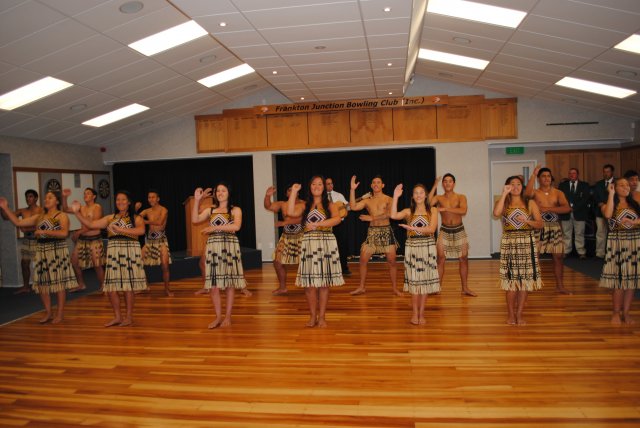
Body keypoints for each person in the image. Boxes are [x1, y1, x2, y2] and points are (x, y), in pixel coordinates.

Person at [71, 190, 147, 327]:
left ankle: (129, 317)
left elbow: (141, 231)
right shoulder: (110, 218)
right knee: (111, 287)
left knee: (127, 287)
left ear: (129, 202)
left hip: (129, 252)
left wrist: (120, 230)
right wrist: (77, 213)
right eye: (118, 200)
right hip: (114, 253)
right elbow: (92, 225)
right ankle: (118, 317)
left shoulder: (136, 218)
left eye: (123, 200)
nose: (120, 202)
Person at [0, 192, 77, 323]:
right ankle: (48, 313)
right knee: (42, 284)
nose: (47, 199)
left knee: (58, 284)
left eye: (50, 197)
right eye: (46, 197)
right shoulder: (39, 217)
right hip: (42, 251)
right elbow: (18, 222)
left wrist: (44, 231)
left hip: (57, 250)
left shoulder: (62, 215)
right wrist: (5, 208)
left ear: (57, 201)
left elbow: (64, 233)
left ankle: (59, 314)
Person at [287, 176, 344, 328]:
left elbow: (337, 219)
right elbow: (291, 211)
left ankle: (322, 317)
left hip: (326, 243)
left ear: (324, 188)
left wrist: (319, 224)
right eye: (314, 184)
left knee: (324, 283)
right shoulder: (305, 205)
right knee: (310, 284)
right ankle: (312, 316)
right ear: (310, 187)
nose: (317, 186)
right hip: (309, 244)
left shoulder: (330, 205)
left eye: (320, 184)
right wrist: (293, 192)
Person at [192, 183, 247, 329]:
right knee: (214, 285)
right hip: (213, 246)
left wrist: (215, 227)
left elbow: (236, 226)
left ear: (229, 192)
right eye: (218, 191)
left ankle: (228, 317)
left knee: (229, 283)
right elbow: (195, 220)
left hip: (229, 245)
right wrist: (198, 200)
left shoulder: (235, 209)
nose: (220, 193)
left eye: (224, 190)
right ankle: (218, 317)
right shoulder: (210, 209)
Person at [493, 175, 543, 326]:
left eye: (518, 184)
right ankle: (510, 314)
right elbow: (496, 213)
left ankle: (519, 314)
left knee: (524, 282)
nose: (515, 187)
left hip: (527, 242)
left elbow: (540, 224)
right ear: (507, 186)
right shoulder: (504, 201)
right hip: (510, 242)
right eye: (512, 184)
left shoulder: (530, 202)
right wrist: (504, 194)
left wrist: (527, 221)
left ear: (522, 186)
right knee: (511, 281)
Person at [391, 183, 439, 325]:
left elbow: (431, 229)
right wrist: (395, 197)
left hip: (427, 247)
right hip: (412, 247)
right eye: (416, 193)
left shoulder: (433, 211)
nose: (419, 195)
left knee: (424, 282)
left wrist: (411, 227)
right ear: (413, 196)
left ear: (425, 195)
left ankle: (421, 313)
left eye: (421, 192)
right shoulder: (408, 212)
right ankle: (414, 313)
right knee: (414, 282)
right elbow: (393, 215)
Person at [349, 175, 399, 296]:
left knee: (392, 262)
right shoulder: (367, 200)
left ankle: (395, 288)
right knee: (362, 260)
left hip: (386, 231)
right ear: (371, 185)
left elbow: (390, 214)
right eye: (374, 182)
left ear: (383, 185)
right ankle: (361, 287)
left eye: (378, 182)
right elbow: (353, 207)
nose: (376, 184)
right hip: (372, 233)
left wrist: (372, 217)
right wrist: (352, 189)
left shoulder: (389, 199)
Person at [525, 166, 572, 294]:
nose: (546, 178)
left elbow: (567, 208)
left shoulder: (558, 193)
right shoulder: (535, 192)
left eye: (548, 176)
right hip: (538, 226)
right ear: (539, 179)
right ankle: (531, 284)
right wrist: (533, 175)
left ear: (551, 178)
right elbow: (527, 194)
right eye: (543, 176)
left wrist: (548, 209)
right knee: (535, 256)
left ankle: (560, 286)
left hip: (554, 227)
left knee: (558, 257)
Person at [599, 178, 640, 325]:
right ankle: (615, 312)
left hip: (635, 243)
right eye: (621, 185)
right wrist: (611, 194)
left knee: (631, 281)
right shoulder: (608, 204)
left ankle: (626, 313)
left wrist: (635, 222)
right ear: (614, 187)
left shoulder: (635, 204)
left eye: (627, 185)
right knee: (619, 281)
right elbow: (608, 215)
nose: (626, 187)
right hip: (617, 243)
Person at [428, 173, 475, 296]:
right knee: (441, 259)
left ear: (454, 183)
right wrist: (434, 185)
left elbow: (463, 211)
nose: (447, 183)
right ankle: (437, 287)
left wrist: (445, 209)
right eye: (445, 181)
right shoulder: (439, 198)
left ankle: (465, 288)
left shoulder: (461, 197)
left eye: (450, 181)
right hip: (444, 230)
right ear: (443, 184)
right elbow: (428, 203)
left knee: (463, 259)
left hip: (459, 230)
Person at [1, 189, 43, 294]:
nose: (28, 199)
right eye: (27, 197)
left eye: (30, 196)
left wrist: (27, 229)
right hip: (28, 240)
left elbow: (42, 226)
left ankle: (44, 285)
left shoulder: (41, 210)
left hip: (39, 240)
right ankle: (26, 286)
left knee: (41, 264)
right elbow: (6, 217)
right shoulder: (23, 211)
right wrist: (3, 207)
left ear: (36, 198)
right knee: (24, 263)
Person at [62, 188, 104, 292]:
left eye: (88, 193)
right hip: (83, 240)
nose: (85, 195)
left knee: (97, 264)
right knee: (74, 261)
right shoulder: (81, 208)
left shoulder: (97, 207)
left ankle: (104, 285)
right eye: (84, 193)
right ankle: (81, 284)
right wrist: (64, 197)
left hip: (94, 239)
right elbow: (65, 209)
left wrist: (78, 232)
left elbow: (93, 225)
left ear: (94, 196)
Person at [264, 185, 304, 295]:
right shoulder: (283, 204)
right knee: (277, 261)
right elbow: (268, 206)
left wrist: (285, 223)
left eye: (294, 190)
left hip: (301, 236)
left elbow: (302, 219)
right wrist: (267, 196)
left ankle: (310, 286)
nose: (292, 192)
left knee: (306, 262)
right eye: (289, 190)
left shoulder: (304, 204)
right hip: (286, 236)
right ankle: (282, 287)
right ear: (287, 194)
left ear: (298, 193)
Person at [136, 189, 173, 297]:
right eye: (149, 197)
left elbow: (159, 222)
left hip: (161, 241)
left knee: (165, 266)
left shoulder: (164, 210)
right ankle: (145, 286)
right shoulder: (146, 211)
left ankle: (167, 289)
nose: (150, 199)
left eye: (153, 197)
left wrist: (145, 221)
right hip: (150, 241)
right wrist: (136, 209)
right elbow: (135, 218)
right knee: (138, 261)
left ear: (158, 198)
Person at [558, 168, 591, 259]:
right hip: (566, 213)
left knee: (579, 233)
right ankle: (566, 251)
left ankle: (581, 252)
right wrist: (567, 208)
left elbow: (585, 199)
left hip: (579, 212)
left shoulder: (584, 185)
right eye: (570, 173)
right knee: (566, 233)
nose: (572, 175)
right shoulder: (562, 185)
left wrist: (574, 208)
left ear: (578, 174)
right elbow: (560, 198)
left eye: (574, 173)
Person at [325, 177, 352, 275]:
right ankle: (328, 269)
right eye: (328, 184)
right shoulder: (322, 197)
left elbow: (348, 207)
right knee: (327, 247)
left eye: (331, 183)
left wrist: (347, 206)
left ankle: (344, 268)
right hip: (326, 225)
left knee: (342, 246)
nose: (330, 185)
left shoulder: (338, 195)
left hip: (340, 224)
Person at [592, 164, 615, 259]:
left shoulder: (617, 182)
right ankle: (600, 253)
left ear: (612, 172)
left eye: (608, 171)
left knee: (613, 234)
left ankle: (612, 253)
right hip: (599, 213)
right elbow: (595, 197)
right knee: (600, 233)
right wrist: (600, 203)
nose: (606, 174)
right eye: (604, 172)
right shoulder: (598, 184)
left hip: (613, 213)